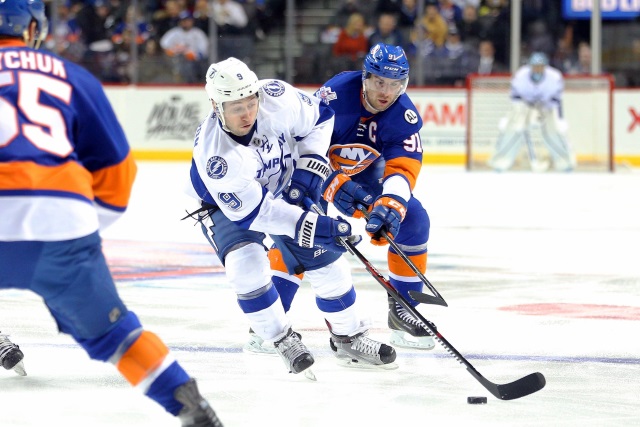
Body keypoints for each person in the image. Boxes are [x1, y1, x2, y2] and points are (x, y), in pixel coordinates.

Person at [0, 1, 222, 425]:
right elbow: (118, 168)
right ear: (32, 29)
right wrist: (84, 232)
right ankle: (191, 407)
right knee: (118, 337)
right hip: (59, 222)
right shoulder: (70, 74)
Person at [186, 57, 397, 374]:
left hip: (282, 182)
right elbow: (258, 215)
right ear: (216, 106)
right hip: (226, 206)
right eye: (235, 107)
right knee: (246, 265)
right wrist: (312, 225)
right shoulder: (217, 156)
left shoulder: (275, 97)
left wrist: (309, 170)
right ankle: (279, 338)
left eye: (250, 101)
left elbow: (322, 118)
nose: (247, 112)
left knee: (326, 261)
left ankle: (349, 338)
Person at [252, 43, 437, 352]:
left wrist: (391, 205)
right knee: (298, 232)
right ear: (365, 77)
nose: (386, 92)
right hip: (312, 171)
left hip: (364, 176)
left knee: (414, 219)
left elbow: (403, 168)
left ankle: (405, 310)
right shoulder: (335, 96)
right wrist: (332, 184)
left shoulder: (402, 115)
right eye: (379, 81)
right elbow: (305, 147)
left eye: (395, 84)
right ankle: (268, 324)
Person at [488, 52, 576, 172]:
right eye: (534, 66)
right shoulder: (521, 76)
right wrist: (525, 111)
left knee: (554, 131)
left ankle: (565, 164)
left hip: (547, 106)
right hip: (525, 106)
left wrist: (543, 107)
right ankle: (500, 163)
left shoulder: (554, 77)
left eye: (540, 66)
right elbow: (515, 98)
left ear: (545, 66)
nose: (537, 69)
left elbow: (557, 99)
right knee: (514, 129)